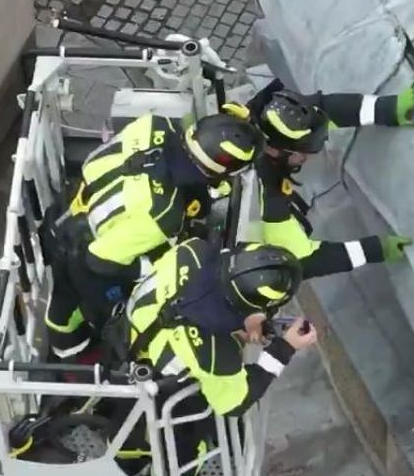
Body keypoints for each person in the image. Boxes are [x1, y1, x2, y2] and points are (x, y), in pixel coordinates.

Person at [44, 112, 265, 363]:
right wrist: (158, 266)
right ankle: (72, 356)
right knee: (71, 314)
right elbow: (99, 260)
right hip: (81, 255)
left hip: (67, 207)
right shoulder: (162, 214)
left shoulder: (156, 124)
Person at [113, 237, 316, 476]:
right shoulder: (217, 355)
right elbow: (235, 402)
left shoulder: (192, 250)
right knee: (186, 443)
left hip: (124, 339)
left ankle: (125, 460)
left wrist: (238, 321)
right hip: (164, 384)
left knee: (126, 430)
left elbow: (195, 300)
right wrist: (285, 348)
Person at [236, 78, 414, 279]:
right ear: (274, 151)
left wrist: (386, 108)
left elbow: (322, 110)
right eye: (301, 151)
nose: (307, 157)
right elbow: (305, 260)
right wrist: (376, 249)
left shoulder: (264, 114)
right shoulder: (270, 202)